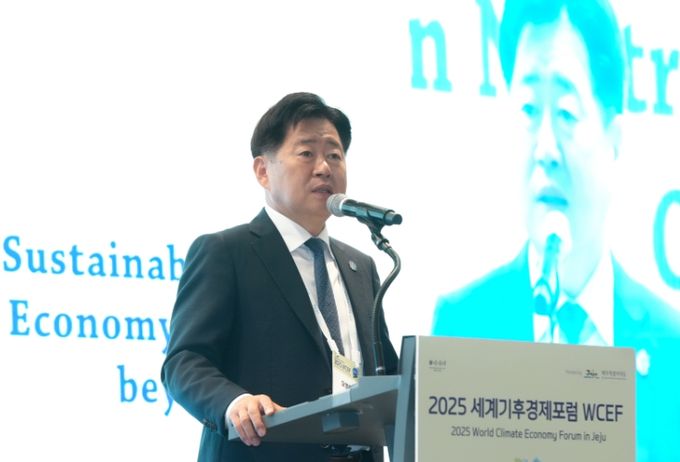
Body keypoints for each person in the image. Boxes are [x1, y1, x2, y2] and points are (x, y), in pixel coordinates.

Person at [431, 1, 680, 461]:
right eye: (529, 108)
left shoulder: (671, 344)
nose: (545, 147)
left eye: (565, 112)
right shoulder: (463, 325)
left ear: (613, 136)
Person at [162, 92, 399, 462]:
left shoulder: (362, 267)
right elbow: (184, 362)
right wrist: (235, 402)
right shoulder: (227, 252)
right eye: (306, 153)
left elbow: (387, 376)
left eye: (335, 155)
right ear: (263, 171)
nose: (324, 168)